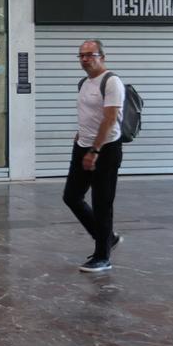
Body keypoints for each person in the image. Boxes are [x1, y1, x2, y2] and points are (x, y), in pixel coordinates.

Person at [63, 39, 125, 273]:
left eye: (90, 54)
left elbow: (110, 119)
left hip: (106, 149)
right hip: (83, 145)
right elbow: (90, 113)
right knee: (71, 196)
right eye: (81, 55)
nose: (85, 59)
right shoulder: (84, 82)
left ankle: (102, 257)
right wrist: (81, 136)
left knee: (102, 203)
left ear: (102, 56)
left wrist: (95, 150)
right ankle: (107, 237)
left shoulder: (112, 82)